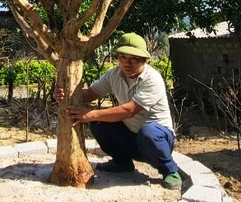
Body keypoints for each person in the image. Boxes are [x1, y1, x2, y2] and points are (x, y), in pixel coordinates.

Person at [56, 32, 181, 193]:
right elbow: (89, 94)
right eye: (123, 57)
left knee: (148, 131)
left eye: (134, 58)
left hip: (157, 140)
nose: (128, 63)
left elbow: (128, 110)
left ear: (144, 59)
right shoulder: (114, 74)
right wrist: (65, 93)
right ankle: (122, 163)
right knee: (99, 123)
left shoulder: (152, 79)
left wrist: (90, 114)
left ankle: (170, 170)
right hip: (131, 136)